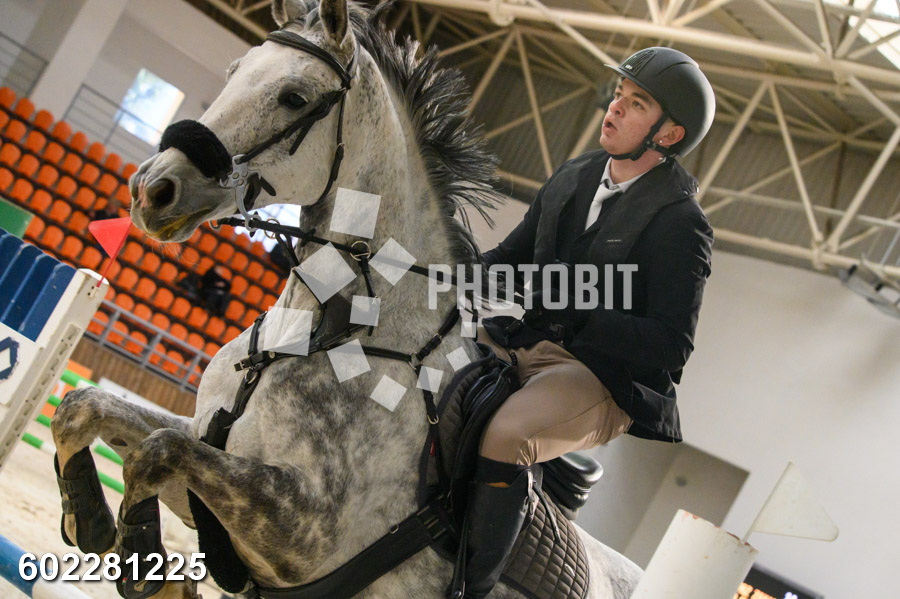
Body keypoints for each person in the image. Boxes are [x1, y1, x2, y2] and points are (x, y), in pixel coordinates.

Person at [456, 47, 716, 598]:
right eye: (619, 95)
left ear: (669, 135)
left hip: (600, 380)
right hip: (524, 342)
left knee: (507, 435)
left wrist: (577, 313)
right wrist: (444, 264)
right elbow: (509, 260)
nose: (615, 108)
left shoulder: (682, 224)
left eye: (637, 103)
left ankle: (469, 588)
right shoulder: (575, 174)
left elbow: (671, 346)